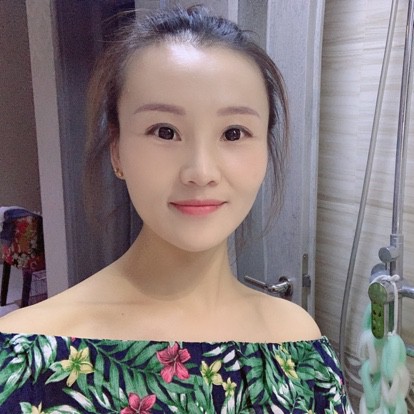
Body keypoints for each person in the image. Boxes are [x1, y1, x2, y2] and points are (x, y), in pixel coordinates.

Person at [0, 5, 351, 413]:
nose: (200, 172)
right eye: (164, 131)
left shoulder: (301, 348)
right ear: (117, 150)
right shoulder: (23, 357)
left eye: (233, 133)